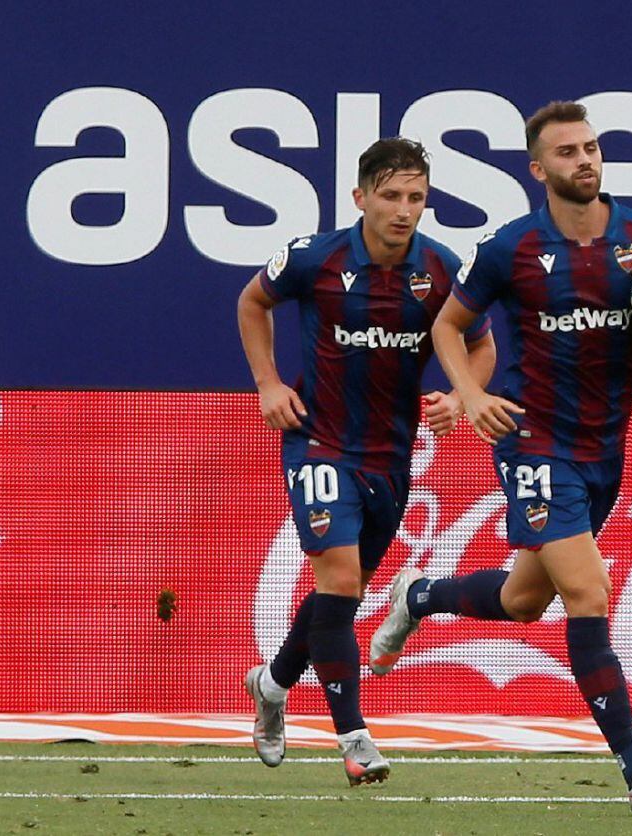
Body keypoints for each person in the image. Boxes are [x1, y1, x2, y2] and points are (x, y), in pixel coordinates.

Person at [369, 101, 632, 815]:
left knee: (524, 600)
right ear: (539, 169)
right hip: (531, 441)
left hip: (603, 450)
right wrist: (469, 395)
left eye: (591, 148)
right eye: (567, 152)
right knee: (588, 594)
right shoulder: (513, 249)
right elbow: (448, 326)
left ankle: (420, 596)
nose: (585, 160)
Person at [237, 137, 495, 786]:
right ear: (360, 198)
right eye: (390, 196)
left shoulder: (440, 270)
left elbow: (481, 344)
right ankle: (354, 738)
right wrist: (269, 383)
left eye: (415, 198)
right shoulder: (315, 258)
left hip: (390, 456)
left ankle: (271, 686)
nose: (404, 210)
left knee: (339, 594)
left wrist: (462, 397)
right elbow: (252, 303)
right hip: (318, 440)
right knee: (341, 579)